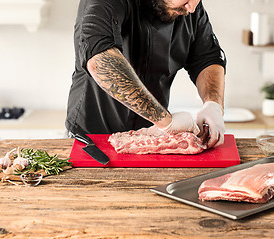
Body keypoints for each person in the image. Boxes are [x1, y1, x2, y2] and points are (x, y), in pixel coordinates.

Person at [66, 0, 226, 148]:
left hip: (152, 141)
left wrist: (213, 105)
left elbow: (208, 58)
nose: (191, 8)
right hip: (92, 141)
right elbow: (101, 60)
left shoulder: (188, 7)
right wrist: (167, 122)